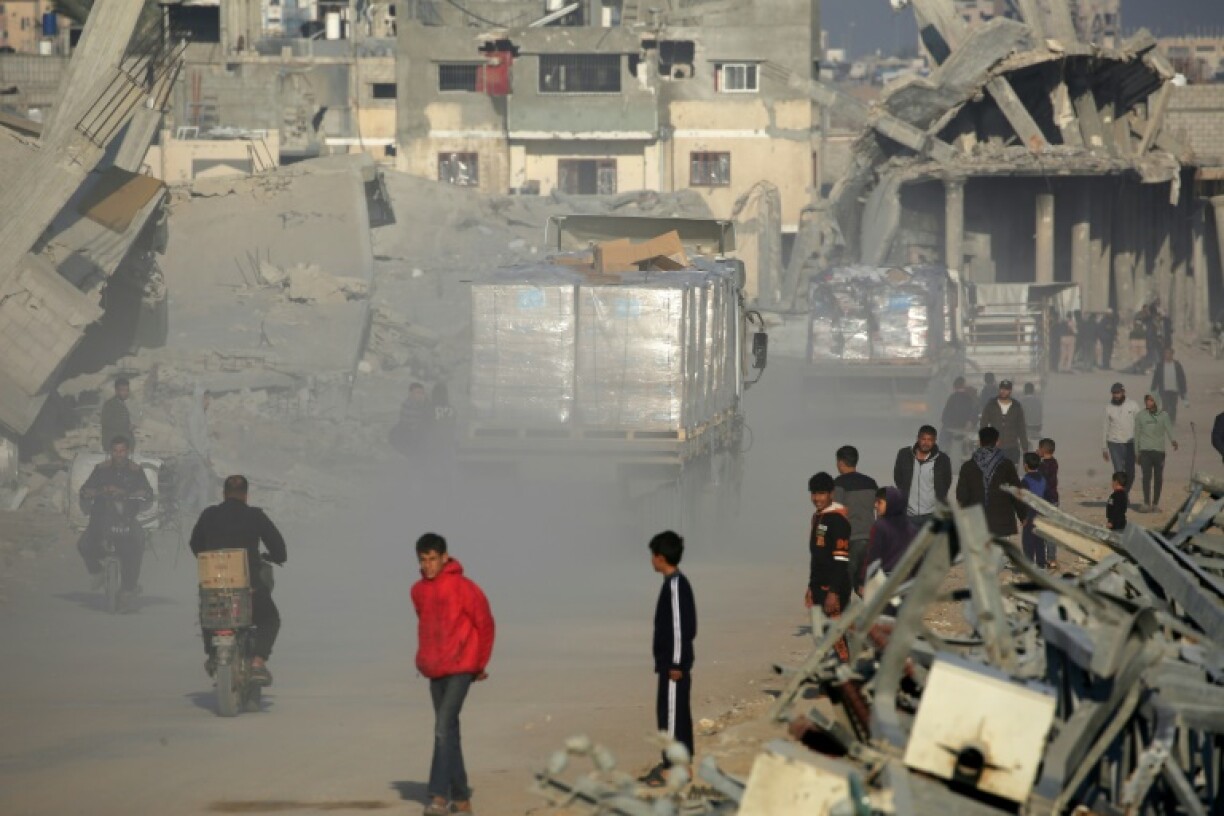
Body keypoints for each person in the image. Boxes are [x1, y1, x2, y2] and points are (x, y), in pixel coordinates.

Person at [411, 533, 495, 816]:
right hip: (435, 668)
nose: (428, 565)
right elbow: (425, 623)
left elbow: (485, 623)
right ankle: (461, 799)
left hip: (462, 667)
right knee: (449, 732)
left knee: (441, 728)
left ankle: (437, 797)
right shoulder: (418, 591)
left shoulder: (464, 588)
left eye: (433, 559)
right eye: (423, 560)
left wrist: (479, 664)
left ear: (445, 557)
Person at [189, 475, 287, 685]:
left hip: (216, 585)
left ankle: (213, 654)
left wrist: (211, 558)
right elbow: (279, 548)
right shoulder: (255, 515)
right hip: (249, 588)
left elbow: (195, 544)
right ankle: (258, 662)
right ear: (246, 495)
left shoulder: (209, 514)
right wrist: (275, 558)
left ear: (224, 494)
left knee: (209, 611)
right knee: (270, 620)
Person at [639, 531, 697, 788]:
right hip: (673, 665)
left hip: (674, 667)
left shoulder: (675, 586)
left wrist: (675, 663)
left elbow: (679, 628)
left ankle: (673, 769)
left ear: (660, 558)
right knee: (676, 715)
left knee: (671, 717)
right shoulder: (675, 583)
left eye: (653, 556)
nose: (651, 561)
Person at [78, 435, 154, 608]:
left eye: (122, 451)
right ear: (110, 452)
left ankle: (128, 588)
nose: (119, 454)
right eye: (115, 451)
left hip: (126, 517)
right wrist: (97, 491)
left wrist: (128, 492)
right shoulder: (101, 469)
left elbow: (147, 492)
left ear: (128, 452)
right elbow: (85, 489)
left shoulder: (136, 471)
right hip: (101, 517)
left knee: (136, 545)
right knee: (84, 544)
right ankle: (97, 571)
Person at [955, 427, 1024, 538]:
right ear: (997, 442)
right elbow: (1016, 493)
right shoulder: (1007, 465)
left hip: (976, 523)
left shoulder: (968, 467)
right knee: (1000, 554)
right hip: (1001, 522)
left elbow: (962, 496)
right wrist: (1023, 516)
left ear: (979, 442)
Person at [805, 473, 852, 621]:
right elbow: (817, 557)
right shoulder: (818, 517)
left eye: (821, 493)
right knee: (827, 636)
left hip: (834, 589)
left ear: (831, 494)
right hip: (819, 587)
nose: (817, 498)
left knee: (838, 637)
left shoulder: (838, 521)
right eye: (814, 493)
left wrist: (833, 593)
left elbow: (841, 560)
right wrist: (812, 586)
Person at [832, 445, 877, 593]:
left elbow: (836, 515)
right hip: (870, 539)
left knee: (844, 587)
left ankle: (847, 615)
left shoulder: (838, 484)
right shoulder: (871, 483)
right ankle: (873, 614)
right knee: (863, 585)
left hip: (849, 541)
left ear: (840, 462)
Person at [893, 426, 952, 529]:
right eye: (923, 439)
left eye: (930, 440)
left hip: (932, 515)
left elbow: (946, 482)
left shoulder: (942, 459)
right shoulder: (904, 454)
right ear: (918, 439)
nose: (926, 443)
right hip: (909, 514)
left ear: (934, 441)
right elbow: (898, 477)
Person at [858, 487, 915, 592]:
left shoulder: (880, 526)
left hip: (884, 584)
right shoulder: (910, 527)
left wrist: (863, 581)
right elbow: (918, 555)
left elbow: (873, 556)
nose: (875, 506)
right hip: (906, 582)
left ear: (891, 503)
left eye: (879, 502)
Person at [1134, 394, 1178, 514]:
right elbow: (1136, 435)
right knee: (1146, 478)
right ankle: (1146, 503)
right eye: (1147, 400)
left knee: (1158, 478)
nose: (1148, 402)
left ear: (1156, 401)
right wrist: (1136, 453)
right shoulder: (1140, 416)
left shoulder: (1163, 415)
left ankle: (1155, 504)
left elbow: (1169, 429)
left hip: (1159, 452)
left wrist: (1173, 440)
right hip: (1145, 452)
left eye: (1151, 400)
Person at [179, 385, 214, 519]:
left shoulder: (200, 414)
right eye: (206, 399)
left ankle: (186, 507)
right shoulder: (194, 415)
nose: (208, 402)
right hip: (194, 454)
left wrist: (208, 454)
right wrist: (203, 456)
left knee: (197, 482)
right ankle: (204, 512)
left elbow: (203, 438)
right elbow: (195, 439)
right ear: (199, 399)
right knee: (203, 482)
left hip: (200, 454)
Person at [1102, 382, 1140, 497]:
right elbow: (1105, 428)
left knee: (1130, 472)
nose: (1116, 396)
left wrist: (1141, 444)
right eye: (1114, 393)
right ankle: (1121, 495)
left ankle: (1125, 492)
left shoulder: (1133, 405)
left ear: (1123, 392)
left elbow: (1140, 424)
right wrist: (1104, 447)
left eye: (1118, 393)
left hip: (1130, 442)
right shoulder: (1108, 408)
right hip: (1114, 443)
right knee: (1119, 471)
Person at [979, 379, 1029, 464]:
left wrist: (1025, 447)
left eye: (1006, 389)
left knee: (1011, 472)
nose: (1003, 391)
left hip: (1012, 446)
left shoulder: (1016, 406)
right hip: (995, 446)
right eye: (1001, 389)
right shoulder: (991, 404)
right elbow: (983, 424)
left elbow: (1021, 427)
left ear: (1010, 391)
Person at [1019, 453, 1048, 569]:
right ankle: (1041, 563)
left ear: (1025, 465)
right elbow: (1047, 495)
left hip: (1030, 512)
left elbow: (1023, 500)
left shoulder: (1025, 481)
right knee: (1040, 539)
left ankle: (1029, 563)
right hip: (1041, 511)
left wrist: (1023, 516)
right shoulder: (1043, 478)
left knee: (1028, 540)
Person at [939, 376, 977, 458]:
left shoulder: (952, 398)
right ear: (964, 385)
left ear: (954, 387)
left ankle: (942, 453)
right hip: (967, 427)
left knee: (943, 440)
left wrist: (947, 424)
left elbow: (944, 416)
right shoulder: (970, 397)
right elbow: (975, 412)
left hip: (952, 427)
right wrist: (970, 422)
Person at [1037, 439, 1060, 568]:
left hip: (1045, 500)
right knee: (1051, 530)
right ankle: (1051, 558)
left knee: (1044, 530)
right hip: (1053, 499)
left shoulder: (1043, 465)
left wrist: (1036, 458)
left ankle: (1047, 558)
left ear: (1043, 450)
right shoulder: (1054, 463)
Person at [1149, 347, 1187, 424]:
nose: (1167, 355)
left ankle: (1172, 420)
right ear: (1164, 355)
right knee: (1165, 405)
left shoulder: (1177, 365)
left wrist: (1183, 390)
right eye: (1166, 353)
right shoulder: (1160, 365)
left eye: (1169, 353)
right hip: (1164, 390)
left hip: (1174, 389)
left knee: (1173, 406)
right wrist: (1153, 388)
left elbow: (1182, 378)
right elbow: (1156, 377)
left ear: (1172, 354)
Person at [100, 377, 135, 453]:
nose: (125, 392)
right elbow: (106, 422)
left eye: (127, 390)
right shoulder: (109, 405)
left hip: (123, 446)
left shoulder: (124, 403)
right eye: (122, 390)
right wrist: (127, 426)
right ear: (116, 391)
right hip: (113, 446)